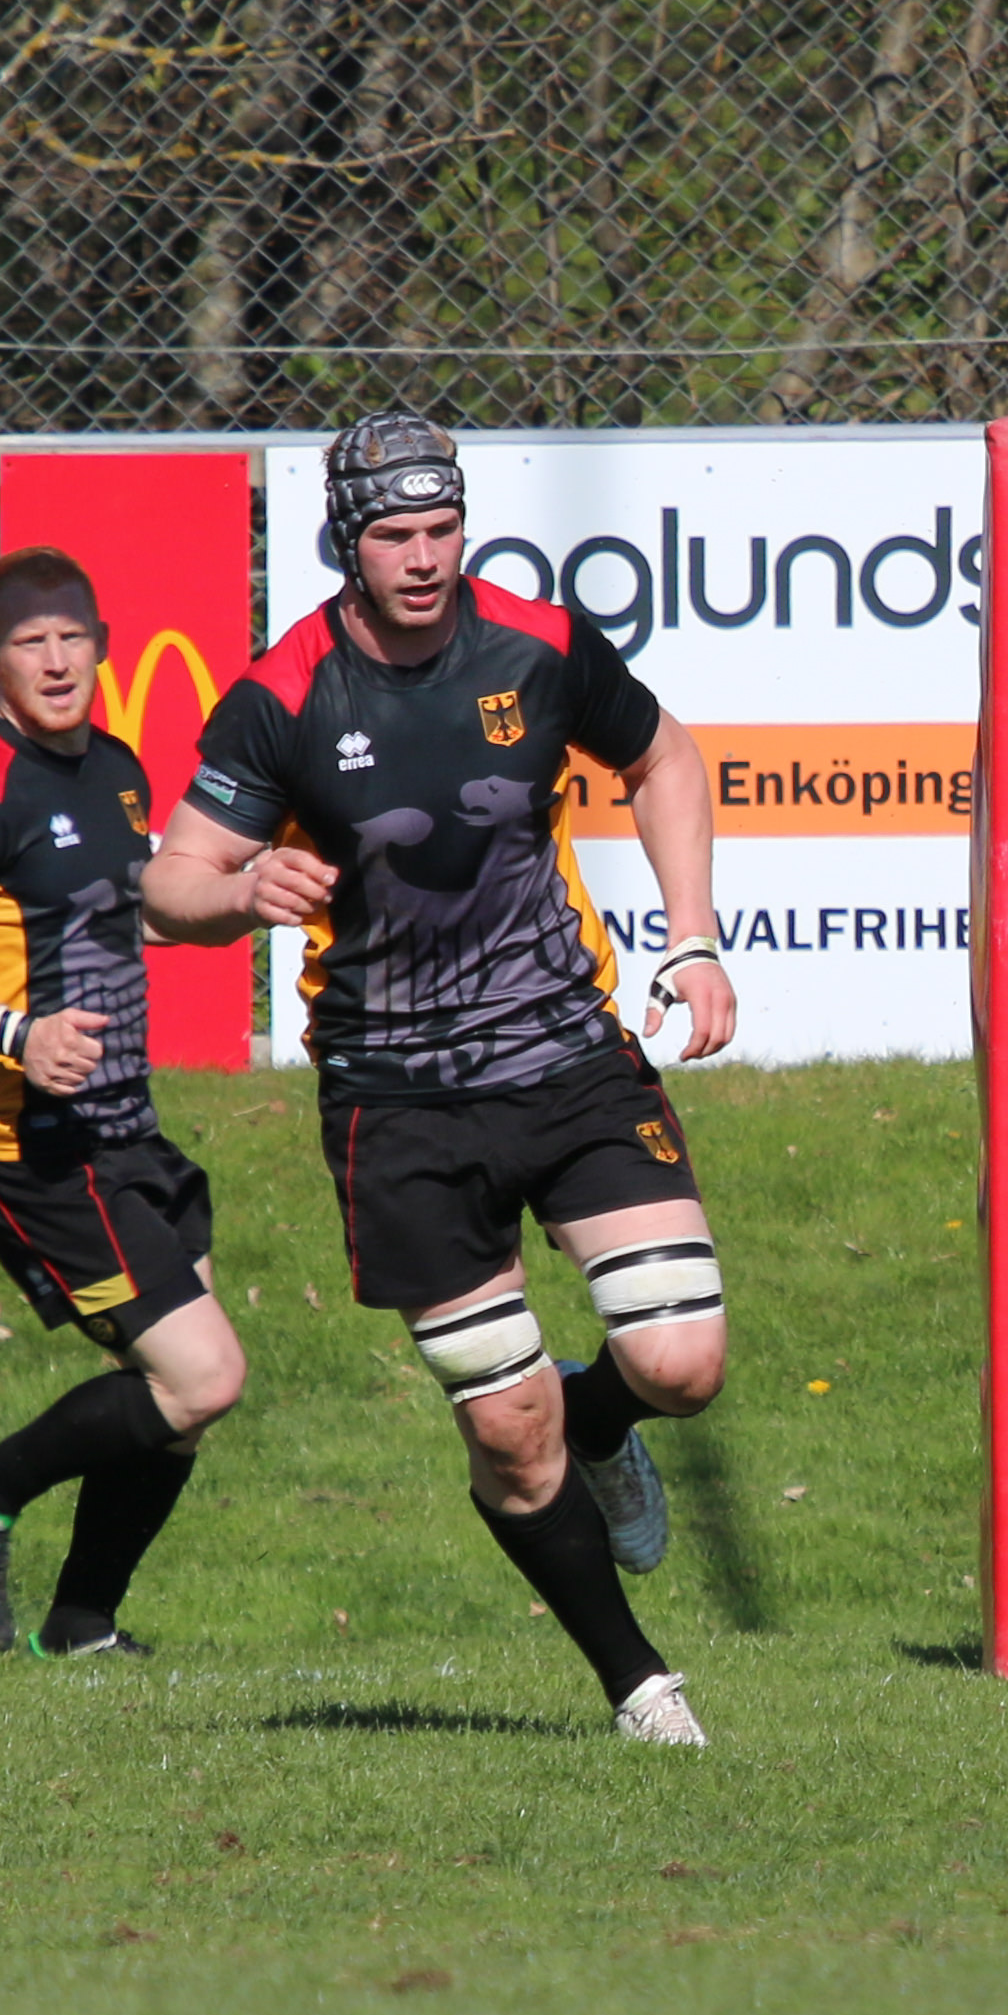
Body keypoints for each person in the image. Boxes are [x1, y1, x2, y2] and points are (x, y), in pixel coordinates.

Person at [143, 409, 739, 1747]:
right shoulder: (284, 694)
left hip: (567, 1052)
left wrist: (692, 936)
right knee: (512, 1434)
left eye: (442, 529)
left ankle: (606, 1422)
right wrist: (239, 889)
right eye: (395, 536)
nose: (423, 558)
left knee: (683, 1360)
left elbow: (664, 755)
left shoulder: (537, 642)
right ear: (344, 544)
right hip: (396, 1100)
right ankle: (641, 1688)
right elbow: (168, 884)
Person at [0, 548, 250, 1662]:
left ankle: (81, 1624)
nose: (57, 659)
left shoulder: (115, 768)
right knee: (202, 1376)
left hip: (127, 1130)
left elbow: (132, 915)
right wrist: (15, 1036)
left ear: (103, 644)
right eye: (30, 642)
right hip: (27, 1146)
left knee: (173, 1395)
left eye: (72, 635)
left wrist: (246, 897)